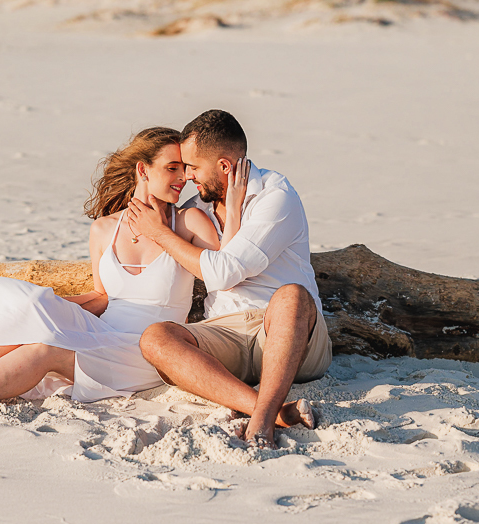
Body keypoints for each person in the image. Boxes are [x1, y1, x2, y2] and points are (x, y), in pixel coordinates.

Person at [0, 127, 225, 411]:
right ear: (142, 169)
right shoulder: (105, 229)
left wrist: (167, 230)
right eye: (172, 168)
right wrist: (46, 306)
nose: (183, 178)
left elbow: (224, 269)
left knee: (42, 350)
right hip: (103, 331)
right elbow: (103, 296)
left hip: (150, 349)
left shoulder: (188, 222)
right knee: (27, 314)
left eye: (186, 169)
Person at [128, 110, 333, 448]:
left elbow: (225, 270)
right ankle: (277, 410)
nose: (187, 176)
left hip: (286, 333)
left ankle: (263, 423)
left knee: (291, 296)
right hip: (226, 332)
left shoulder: (275, 196)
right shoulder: (198, 206)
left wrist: (161, 235)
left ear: (224, 166)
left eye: (193, 167)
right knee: (156, 338)